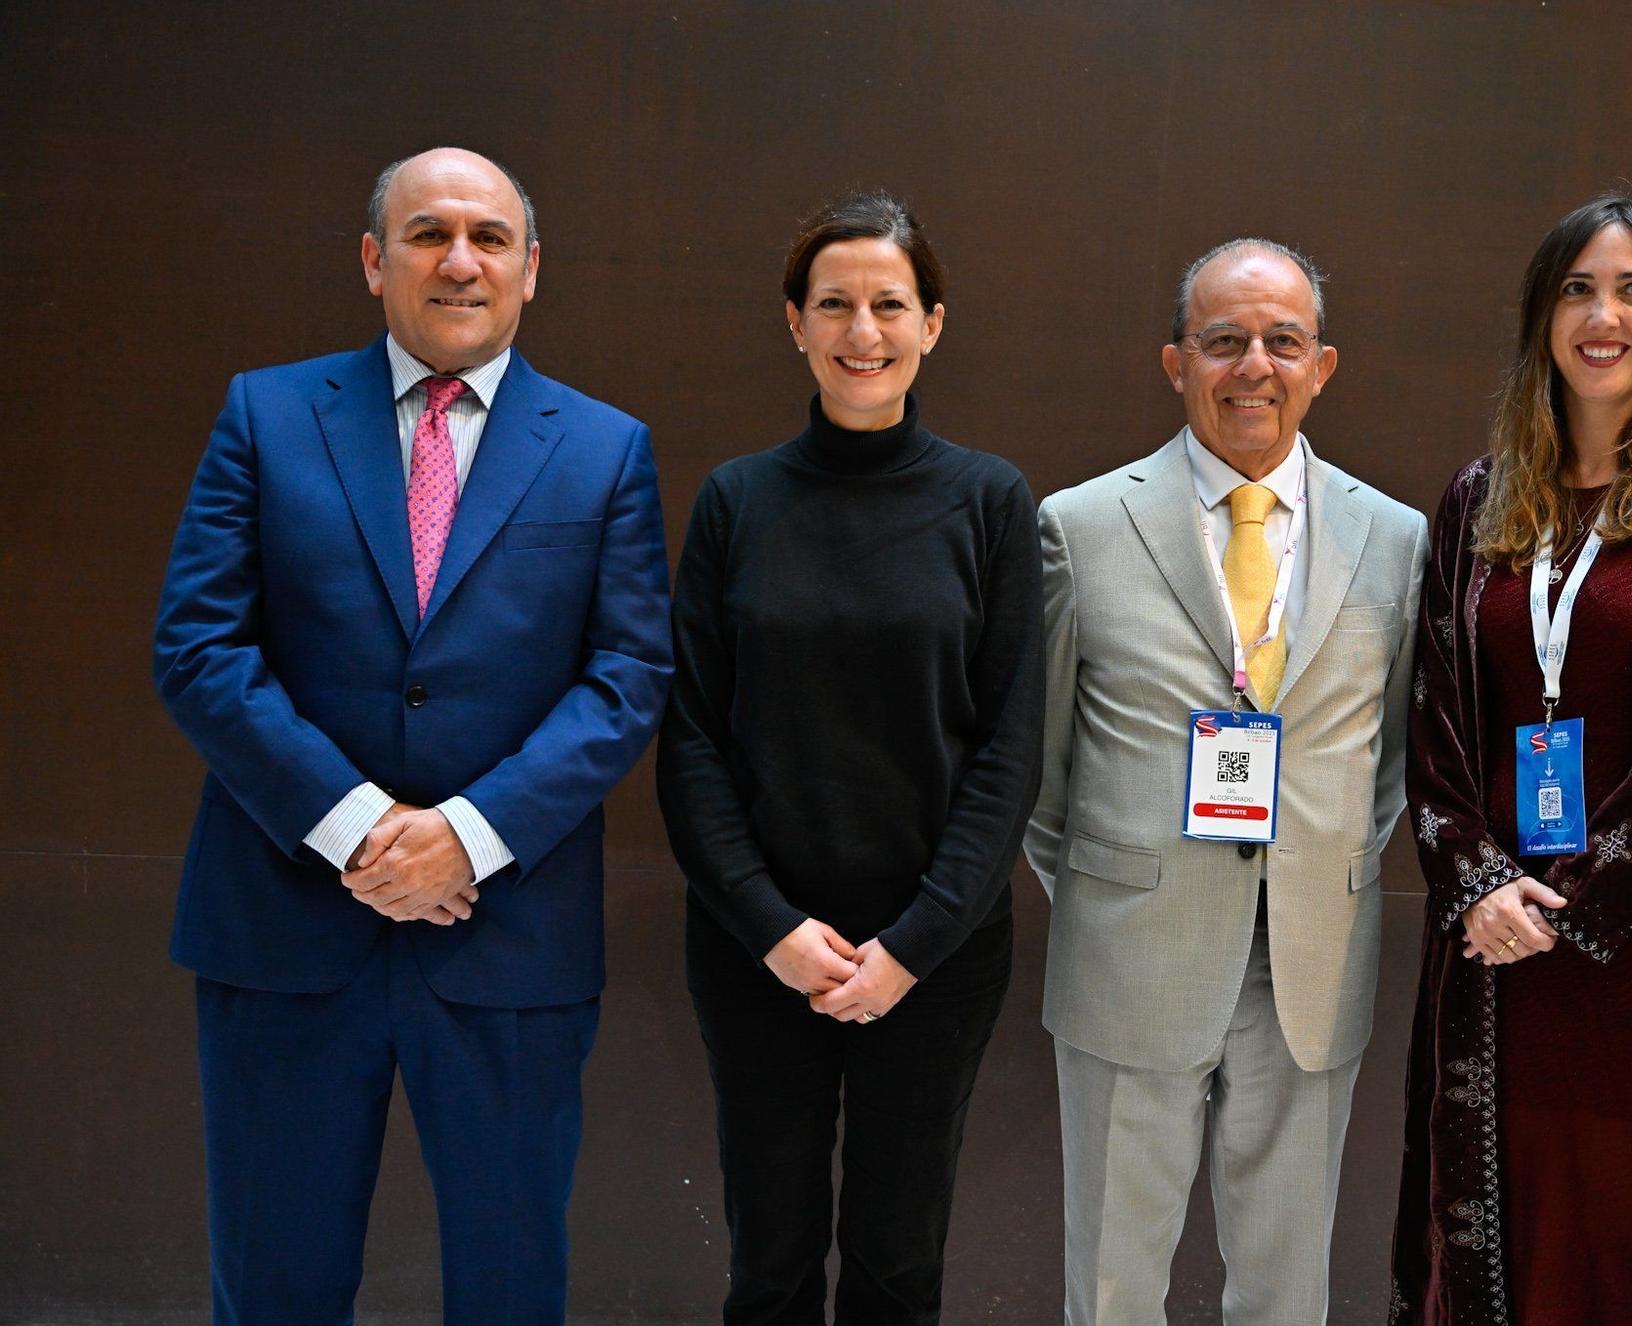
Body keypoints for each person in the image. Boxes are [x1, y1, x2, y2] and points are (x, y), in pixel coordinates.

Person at [153, 147, 673, 1325]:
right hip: (282, 931)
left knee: (509, 1289)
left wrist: (469, 838)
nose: (459, 260)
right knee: (274, 1284)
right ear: (372, 261)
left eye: (490, 237)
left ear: (531, 270)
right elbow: (198, 649)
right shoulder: (266, 413)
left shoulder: (603, 449)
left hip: (507, 942)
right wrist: (364, 831)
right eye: (428, 232)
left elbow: (628, 676)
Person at [1387, 194, 1632, 1324]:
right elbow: (1435, 720)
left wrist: (1577, 898)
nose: (1599, 315)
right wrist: (1475, 884)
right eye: (1575, 289)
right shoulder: (1477, 500)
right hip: (1494, 947)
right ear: (1539, 319)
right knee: (1506, 1226)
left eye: (1631, 289)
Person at [658, 192, 1042, 1326]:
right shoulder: (736, 500)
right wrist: (770, 929)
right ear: (794, 322)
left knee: (895, 1263)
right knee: (767, 1262)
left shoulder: (988, 501)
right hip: (757, 946)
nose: (861, 331)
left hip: (934, 953)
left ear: (932, 324)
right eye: (834, 304)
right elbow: (689, 739)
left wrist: (912, 946)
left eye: (888, 304)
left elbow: (1009, 746)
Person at [1028, 238, 1427, 1325]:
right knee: (1111, 1289)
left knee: (1283, 1294)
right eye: (1223, 341)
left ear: (1321, 366)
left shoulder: (1395, 541)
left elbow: (1388, 763)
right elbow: (1040, 769)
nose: (1253, 365)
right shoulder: (1078, 527)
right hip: (1128, 960)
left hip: (1309, 966)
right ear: (1173, 361)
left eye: (1281, 342)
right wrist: (1117, 891)